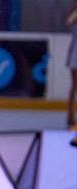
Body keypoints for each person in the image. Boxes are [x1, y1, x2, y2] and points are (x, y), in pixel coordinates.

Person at [67, 1, 77, 130]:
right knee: (75, 86)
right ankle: (70, 116)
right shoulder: (74, 17)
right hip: (75, 55)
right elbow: (69, 22)